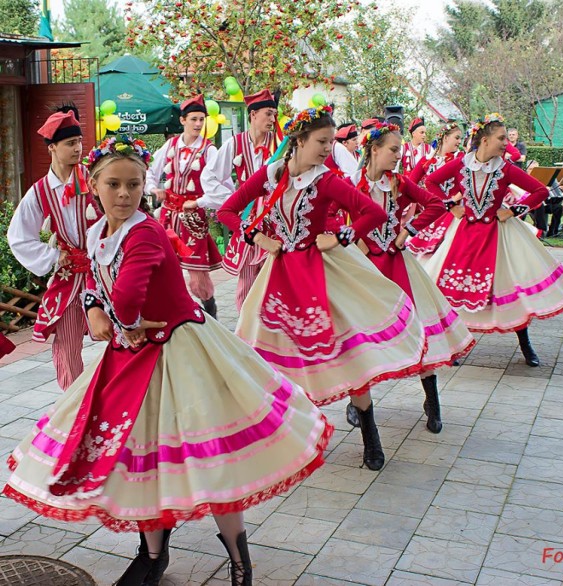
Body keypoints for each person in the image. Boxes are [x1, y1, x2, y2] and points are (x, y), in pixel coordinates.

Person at [3, 136, 333, 586]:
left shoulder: (146, 230)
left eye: (134, 185)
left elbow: (128, 294)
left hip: (182, 350)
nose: (124, 194)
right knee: (143, 459)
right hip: (131, 355)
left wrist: (113, 314)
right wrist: (94, 308)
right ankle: (154, 555)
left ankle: (239, 558)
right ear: (93, 185)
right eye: (114, 184)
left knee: (212, 458)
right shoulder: (100, 231)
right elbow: (102, 287)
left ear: (144, 186)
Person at [218, 106, 426, 471]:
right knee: (273, 358)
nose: (328, 149)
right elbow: (228, 211)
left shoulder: (327, 180)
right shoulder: (271, 174)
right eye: (321, 141)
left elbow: (372, 214)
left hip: (323, 274)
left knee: (347, 355)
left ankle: (370, 434)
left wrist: (341, 236)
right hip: (280, 276)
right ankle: (290, 437)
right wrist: (259, 238)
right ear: (297, 141)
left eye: (331, 142)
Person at [419, 114, 563, 367]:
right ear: (484, 140)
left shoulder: (505, 168)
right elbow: (431, 181)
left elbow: (539, 190)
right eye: (501, 138)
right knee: (453, 288)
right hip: (464, 234)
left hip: (499, 236)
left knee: (510, 288)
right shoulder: (462, 164)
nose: (507, 143)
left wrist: (514, 210)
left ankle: (525, 343)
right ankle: (455, 345)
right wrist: (451, 207)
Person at [343, 122, 475, 433]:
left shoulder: (399, 183)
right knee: (359, 338)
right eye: (392, 149)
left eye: (400, 150)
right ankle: (358, 402)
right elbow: (332, 217)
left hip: (396, 263)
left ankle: (432, 400)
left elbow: (434, 204)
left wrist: (408, 231)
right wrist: (353, 239)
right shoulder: (349, 183)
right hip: (361, 270)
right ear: (373, 150)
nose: (397, 155)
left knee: (418, 329)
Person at [7, 106, 101, 391]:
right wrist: (53, 256)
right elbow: (18, 236)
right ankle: (73, 408)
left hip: (103, 272)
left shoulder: (96, 178)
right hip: (70, 277)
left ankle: (122, 401)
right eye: (70, 143)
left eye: (79, 142)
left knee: (122, 335)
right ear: (52, 148)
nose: (78, 148)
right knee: (66, 347)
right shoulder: (39, 192)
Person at [200, 89, 279, 311]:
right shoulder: (235, 144)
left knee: (271, 278)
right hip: (247, 220)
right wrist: (233, 200)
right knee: (246, 282)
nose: (273, 119)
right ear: (253, 115)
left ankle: (268, 329)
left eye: (274, 114)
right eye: (268, 114)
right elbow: (210, 176)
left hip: (274, 221)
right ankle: (246, 333)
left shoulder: (280, 144)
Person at [146, 95, 221, 318]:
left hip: (192, 218)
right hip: (168, 215)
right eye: (194, 119)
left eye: (201, 120)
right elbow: (149, 171)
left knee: (197, 275)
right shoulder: (170, 145)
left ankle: (210, 312)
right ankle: (175, 312)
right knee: (163, 266)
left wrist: (199, 202)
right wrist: (153, 189)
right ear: (183, 120)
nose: (198, 124)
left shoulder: (209, 151)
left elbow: (222, 187)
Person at [406, 122, 464, 255]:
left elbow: (468, 183)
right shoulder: (426, 160)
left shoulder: (460, 158)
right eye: (457, 138)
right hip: (434, 212)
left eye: (460, 138)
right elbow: (410, 185)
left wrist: (454, 200)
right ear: (445, 138)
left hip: (455, 212)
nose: (459, 142)